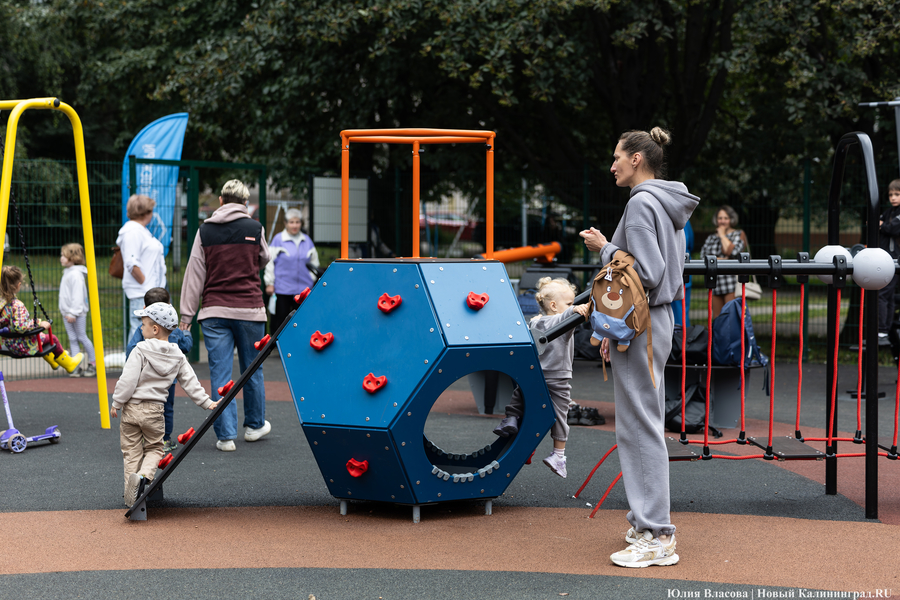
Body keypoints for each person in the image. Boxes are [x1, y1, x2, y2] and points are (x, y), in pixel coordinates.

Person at [579, 127, 698, 568]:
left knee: (641, 425)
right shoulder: (664, 202)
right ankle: (647, 522)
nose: (611, 165)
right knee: (635, 424)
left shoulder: (641, 203)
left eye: (616, 157)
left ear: (636, 160)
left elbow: (647, 271)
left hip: (645, 322)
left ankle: (656, 533)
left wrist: (603, 246)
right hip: (647, 322)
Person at [179, 179, 271, 452]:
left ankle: (226, 436)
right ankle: (255, 426)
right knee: (252, 370)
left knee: (220, 374)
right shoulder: (255, 228)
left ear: (220, 200)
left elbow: (195, 272)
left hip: (214, 310)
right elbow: (264, 258)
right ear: (245, 202)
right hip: (250, 310)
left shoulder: (205, 231)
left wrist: (186, 315)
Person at [111, 302, 219, 507]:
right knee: (155, 448)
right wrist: (206, 402)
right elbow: (190, 382)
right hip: (154, 411)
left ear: (154, 329)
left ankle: (130, 493)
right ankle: (143, 476)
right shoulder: (178, 355)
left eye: (143, 324)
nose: (141, 328)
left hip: (132, 409)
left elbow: (128, 379)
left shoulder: (140, 349)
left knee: (131, 451)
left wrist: (117, 402)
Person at [493, 277, 591, 478]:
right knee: (560, 413)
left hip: (535, 373)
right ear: (554, 306)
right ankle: (558, 454)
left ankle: (512, 420)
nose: (573, 307)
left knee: (522, 399)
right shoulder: (562, 321)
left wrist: (571, 309)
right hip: (558, 377)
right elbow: (559, 320)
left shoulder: (535, 321)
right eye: (569, 303)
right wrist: (573, 311)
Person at [126, 287, 193, 453]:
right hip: (168, 379)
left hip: (146, 378)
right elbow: (186, 346)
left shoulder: (143, 329)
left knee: (144, 405)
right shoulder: (175, 331)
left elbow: (131, 349)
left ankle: (145, 437)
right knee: (166, 408)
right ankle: (164, 439)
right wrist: (187, 334)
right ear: (169, 305)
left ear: (145, 309)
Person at [0, 265, 83, 373]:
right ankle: (69, 364)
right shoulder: (16, 305)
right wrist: (38, 323)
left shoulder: (2, 303)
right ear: (18, 285)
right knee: (53, 339)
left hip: (6, 343)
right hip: (20, 345)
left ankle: (54, 361)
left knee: (42, 338)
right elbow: (20, 327)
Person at [117, 194, 167, 340]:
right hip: (143, 293)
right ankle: (134, 362)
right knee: (139, 332)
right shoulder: (133, 232)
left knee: (145, 332)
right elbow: (132, 263)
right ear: (146, 212)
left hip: (148, 292)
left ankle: (141, 362)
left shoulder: (139, 230)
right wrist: (145, 284)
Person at [264, 208, 319, 333]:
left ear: (301, 223)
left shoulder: (307, 240)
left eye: (297, 222)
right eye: (291, 222)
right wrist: (269, 283)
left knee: (302, 321)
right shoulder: (278, 239)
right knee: (281, 321)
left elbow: (314, 262)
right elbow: (270, 262)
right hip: (283, 289)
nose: (294, 225)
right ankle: (280, 348)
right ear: (285, 223)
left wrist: (311, 279)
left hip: (303, 290)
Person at [699, 205, 744, 319]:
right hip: (715, 282)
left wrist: (722, 235)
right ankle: (719, 338)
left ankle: (734, 338)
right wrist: (723, 260)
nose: (722, 221)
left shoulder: (738, 234)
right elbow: (703, 257)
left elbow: (732, 252)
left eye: (726, 218)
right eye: (720, 218)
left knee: (732, 317)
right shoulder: (711, 238)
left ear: (731, 219)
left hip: (731, 283)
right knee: (718, 318)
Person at [58, 243, 96, 377]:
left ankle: (93, 363)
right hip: (67, 312)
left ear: (73, 257)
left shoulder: (76, 274)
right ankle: (76, 365)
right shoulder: (68, 272)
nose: (61, 258)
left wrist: (73, 312)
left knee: (81, 336)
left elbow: (77, 295)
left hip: (76, 313)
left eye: (64, 256)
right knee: (73, 338)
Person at [878, 179, 900, 341]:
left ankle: (882, 330)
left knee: (882, 294)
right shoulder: (889, 212)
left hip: (895, 260)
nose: (893, 198)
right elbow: (876, 224)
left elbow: (893, 228)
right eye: (891, 195)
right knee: (889, 295)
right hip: (887, 258)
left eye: (897, 194)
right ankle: (886, 329)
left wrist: (882, 225)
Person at [671, 220, 693, 327]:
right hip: (683, 271)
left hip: (671, 272)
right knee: (683, 311)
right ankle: (682, 339)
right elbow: (691, 244)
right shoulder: (685, 220)